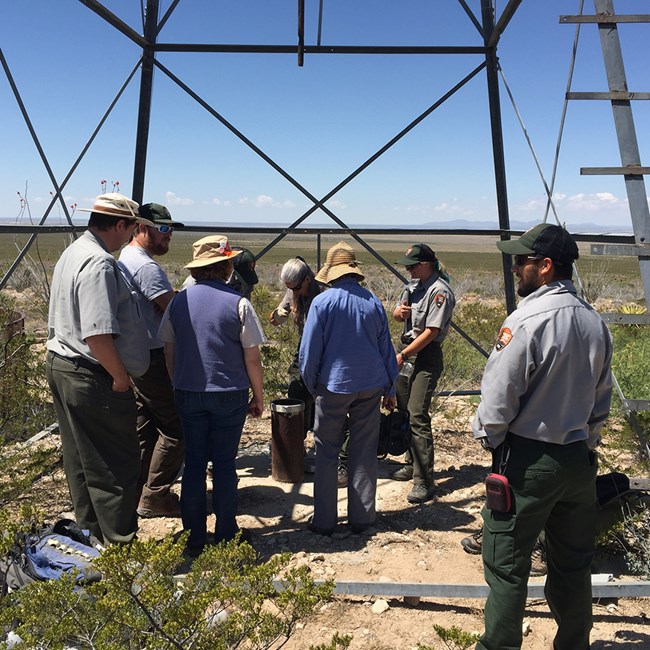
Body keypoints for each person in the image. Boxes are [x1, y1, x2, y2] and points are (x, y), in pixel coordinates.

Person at [472, 223, 613, 650]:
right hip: (577, 461)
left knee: (507, 567)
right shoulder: (594, 322)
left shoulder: (526, 320)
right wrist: (585, 444)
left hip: (528, 462)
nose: (515, 268)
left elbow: (498, 402)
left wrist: (491, 441)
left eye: (521, 260)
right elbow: (600, 400)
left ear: (546, 266)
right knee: (572, 565)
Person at [46, 193, 153, 545]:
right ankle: (120, 546)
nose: (131, 235)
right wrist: (121, 377)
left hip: (64, 365)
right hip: (91, 373)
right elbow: (97, 334)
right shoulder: (99, 263)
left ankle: (91, 539)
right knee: (116, 463)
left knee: (81, 459)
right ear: (120, 225)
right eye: (133, 227)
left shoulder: (73, 252)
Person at [158, 235, 266, 555]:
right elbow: (252, 357)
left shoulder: (178, 301)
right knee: (223, 464)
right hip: (229, 394)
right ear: (227, 266)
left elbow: (168, 348)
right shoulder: (239, 303)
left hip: (188, 392)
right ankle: (225, 533)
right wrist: (258, 396)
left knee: (193, 464)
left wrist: (177, 382)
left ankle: (193, 538)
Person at [299, 241, 398, 535]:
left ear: (332, 272)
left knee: (327, 451)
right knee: (364, 452)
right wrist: (390, 387)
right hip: (370, 385)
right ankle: (363, 518)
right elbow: (386, 349)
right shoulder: (373, 302)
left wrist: (312, 384)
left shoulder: (322, 303)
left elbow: (309, 352)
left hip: (333, 385)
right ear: (354, 272)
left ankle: (325, 521)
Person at [118, 203, 185, 518]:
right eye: (163, 229)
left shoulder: (127, 259)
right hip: (154, 358)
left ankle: (134, 492)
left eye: (170, 230)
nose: (168, 236)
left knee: (145, 428)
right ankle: (155, 496)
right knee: (177, 426)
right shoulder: (145, 266)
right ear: (141, 227)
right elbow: (173, 310)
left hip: (137, 357)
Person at [391, 243, 455, 504]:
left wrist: (404, 355)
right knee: (405, 410)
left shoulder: (440, 291)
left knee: (417, 414)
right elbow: (398, 315)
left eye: (413, 265)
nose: (409, 269)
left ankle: (424, 481)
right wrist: (397, 313)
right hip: (406, 351)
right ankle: (412, 462)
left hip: (423, 356)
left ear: (427, 264)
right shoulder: (412, 287)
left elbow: (432, 332)